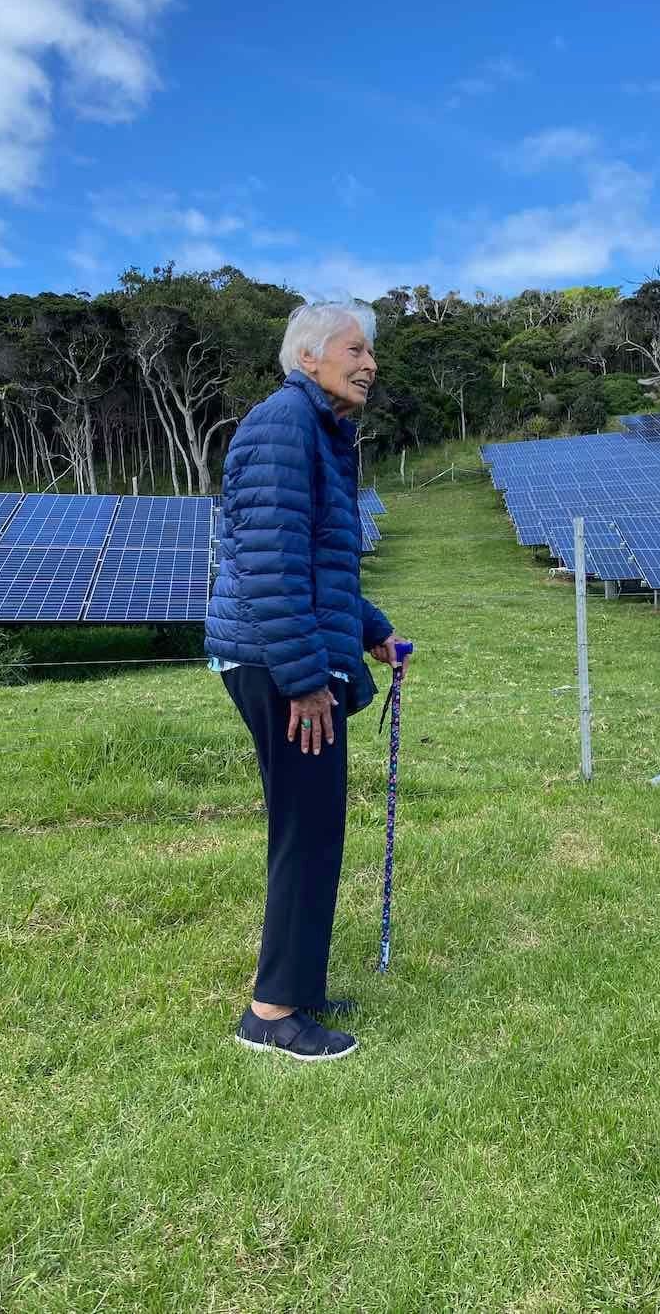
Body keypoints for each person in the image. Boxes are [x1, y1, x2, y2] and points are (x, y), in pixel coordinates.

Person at [205, 300, 411, 1063]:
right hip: (277, 662)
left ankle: (298, 984)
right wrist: (302, 679)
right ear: (310, 357)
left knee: (314, 827)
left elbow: (318, 564)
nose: (370, 364)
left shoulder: (318, 432)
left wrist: (374, 629)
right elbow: (267, 563)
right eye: (357, 349)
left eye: (370, 352)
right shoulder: (284, 426)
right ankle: (272, 1016)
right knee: (306, 828)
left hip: (287, 654)